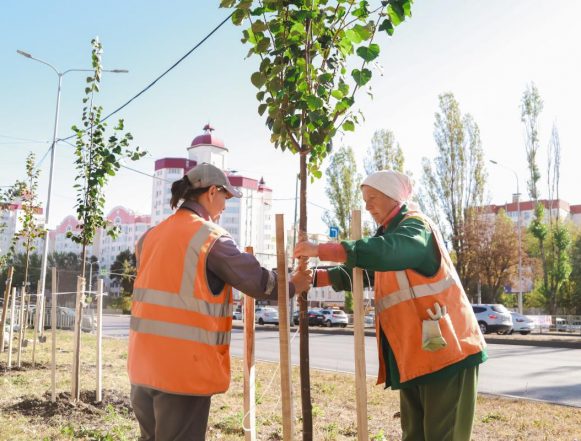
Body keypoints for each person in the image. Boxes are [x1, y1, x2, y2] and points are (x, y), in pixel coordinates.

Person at [294, 170, 487, 441]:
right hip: (418, 356)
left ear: (393, 197)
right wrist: (315, 277)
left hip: (450, 353)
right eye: (364, 199)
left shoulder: (414, 228)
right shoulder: (388, 237)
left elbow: (388, 250)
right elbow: (365, 272)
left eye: (372, 198)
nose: (367, 206)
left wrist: (323, 250)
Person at [128, 162, 312, 441]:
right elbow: (257, 281)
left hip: (142, 367)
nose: (225, 206)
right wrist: (294, 284)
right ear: (212, 192)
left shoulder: (149, 237)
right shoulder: (208, 237)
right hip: (182, 372)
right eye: (226, 197)